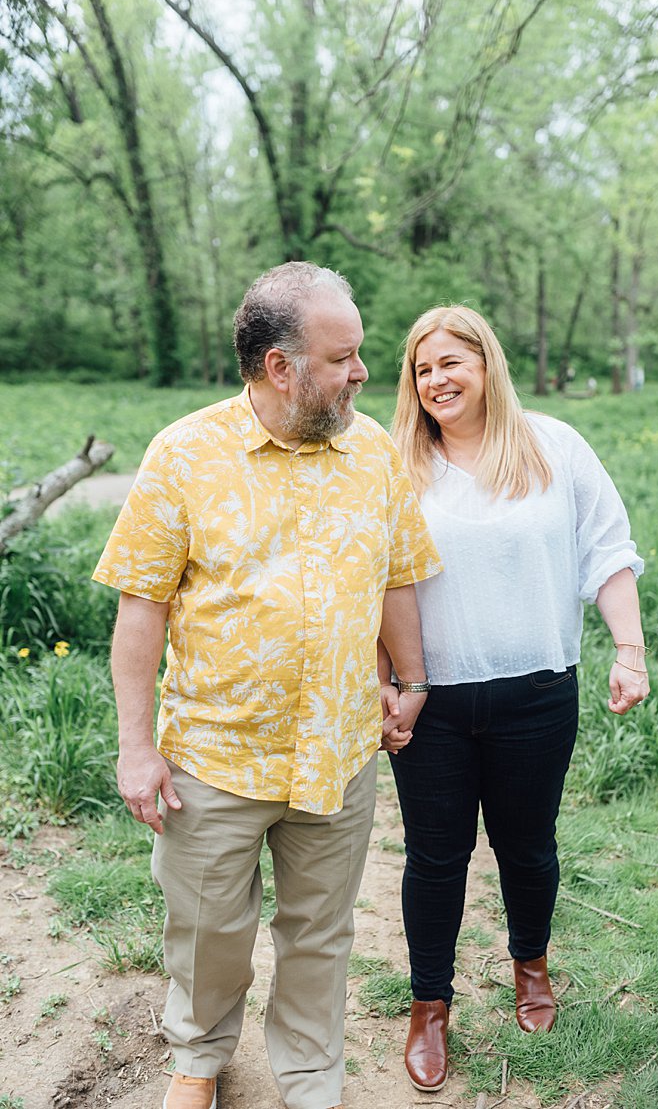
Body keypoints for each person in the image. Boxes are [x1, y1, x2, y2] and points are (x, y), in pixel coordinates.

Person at [93, 262, 443, 1109]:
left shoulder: (374, 455)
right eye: (344, 357)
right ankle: (199, 1057)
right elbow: (141, 612)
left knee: (320, 932)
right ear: (280, 366)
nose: (364, 372)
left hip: (339, 747)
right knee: (210, 930)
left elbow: (398, 575)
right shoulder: (183, 453)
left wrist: (411, 678)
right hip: (214, 754)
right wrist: (136, 749)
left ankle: (310, 1075)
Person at [386, 305, 649, 1093]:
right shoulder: (396, 462)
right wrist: (384, 682)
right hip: (431, 699)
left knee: (527, 845)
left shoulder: (553, 446)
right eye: (422, 369)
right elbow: (373, 578)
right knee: (436, 857)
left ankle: (531, 964)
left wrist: (628, 649)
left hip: (537, 689)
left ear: (486, 363)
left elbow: (608, 548)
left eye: (450, 363)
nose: (436, 381)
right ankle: (429, 1003)